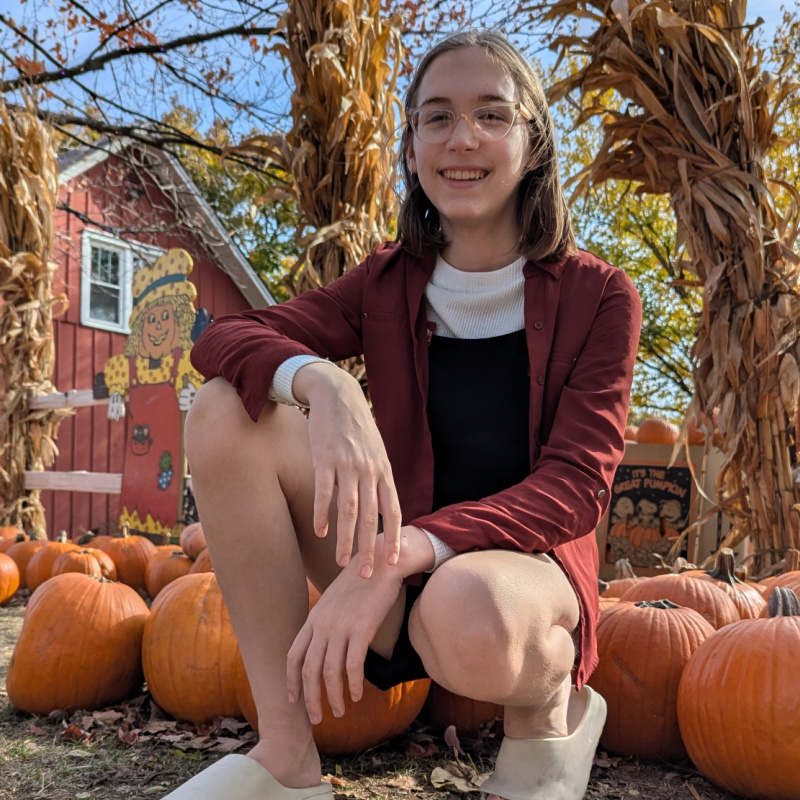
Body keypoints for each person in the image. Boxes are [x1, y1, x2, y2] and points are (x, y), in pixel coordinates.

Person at [166, 29, 641, 800]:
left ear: (533, 141)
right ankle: (286, 758)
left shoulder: (601, 297)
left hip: (506, 591)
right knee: (226, 412)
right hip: (392, 577)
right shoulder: (387, 284)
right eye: (437, 118)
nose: (463, 139)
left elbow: (575, 489)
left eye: (492, 114)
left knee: (465, 603)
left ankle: (552, 714)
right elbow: (223, 337)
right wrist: (326, 384)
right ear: (412, 147)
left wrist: (407, 552)